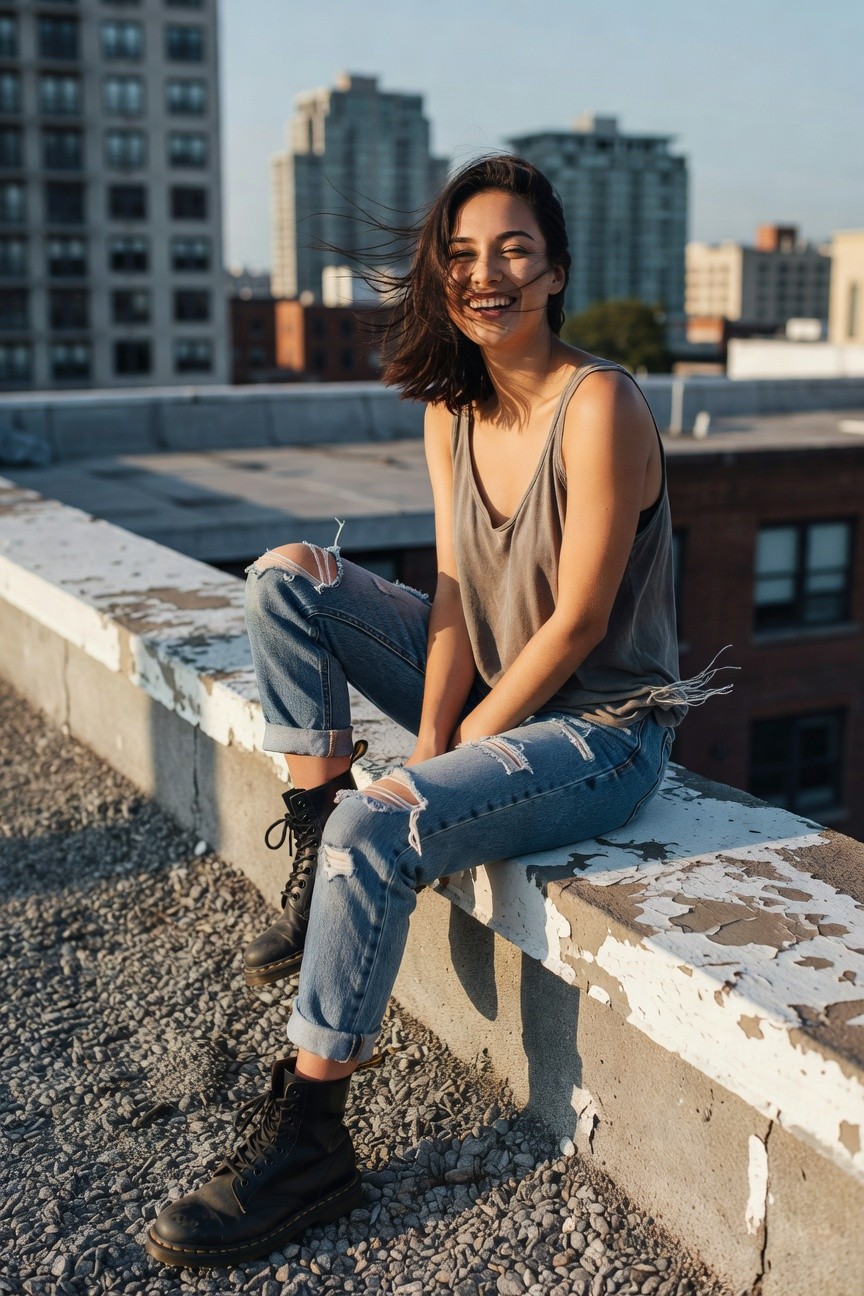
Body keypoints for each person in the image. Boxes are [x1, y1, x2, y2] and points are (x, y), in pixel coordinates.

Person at [145, 155, 728, 1269]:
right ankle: (320, 855)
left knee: (389, 820)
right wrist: (426, 746)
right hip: (502, 690)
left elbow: (576, 622)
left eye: (513, 249)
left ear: (556, 269)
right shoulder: (452, 407)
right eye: (462, 255)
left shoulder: (600, 403)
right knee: (288, 578)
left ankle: (313, 1142)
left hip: (601, 730)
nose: (485, 275)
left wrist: (455, 752)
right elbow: (456, 595)